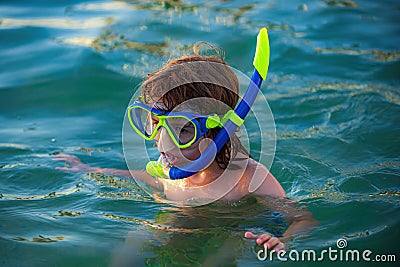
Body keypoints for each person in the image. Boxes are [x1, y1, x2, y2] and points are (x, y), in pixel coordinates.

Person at [54, 44, 318, 253]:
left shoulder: (247, 178)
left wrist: (284, 241)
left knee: (228, 251)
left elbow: (304, 220)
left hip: (232, 231)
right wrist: (89, 169)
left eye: (184, 129)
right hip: (178, 227)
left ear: (221, 130)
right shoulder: (170, 174)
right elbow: (144, 177)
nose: (162, 143)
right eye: (156, 125)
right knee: (136, 240)